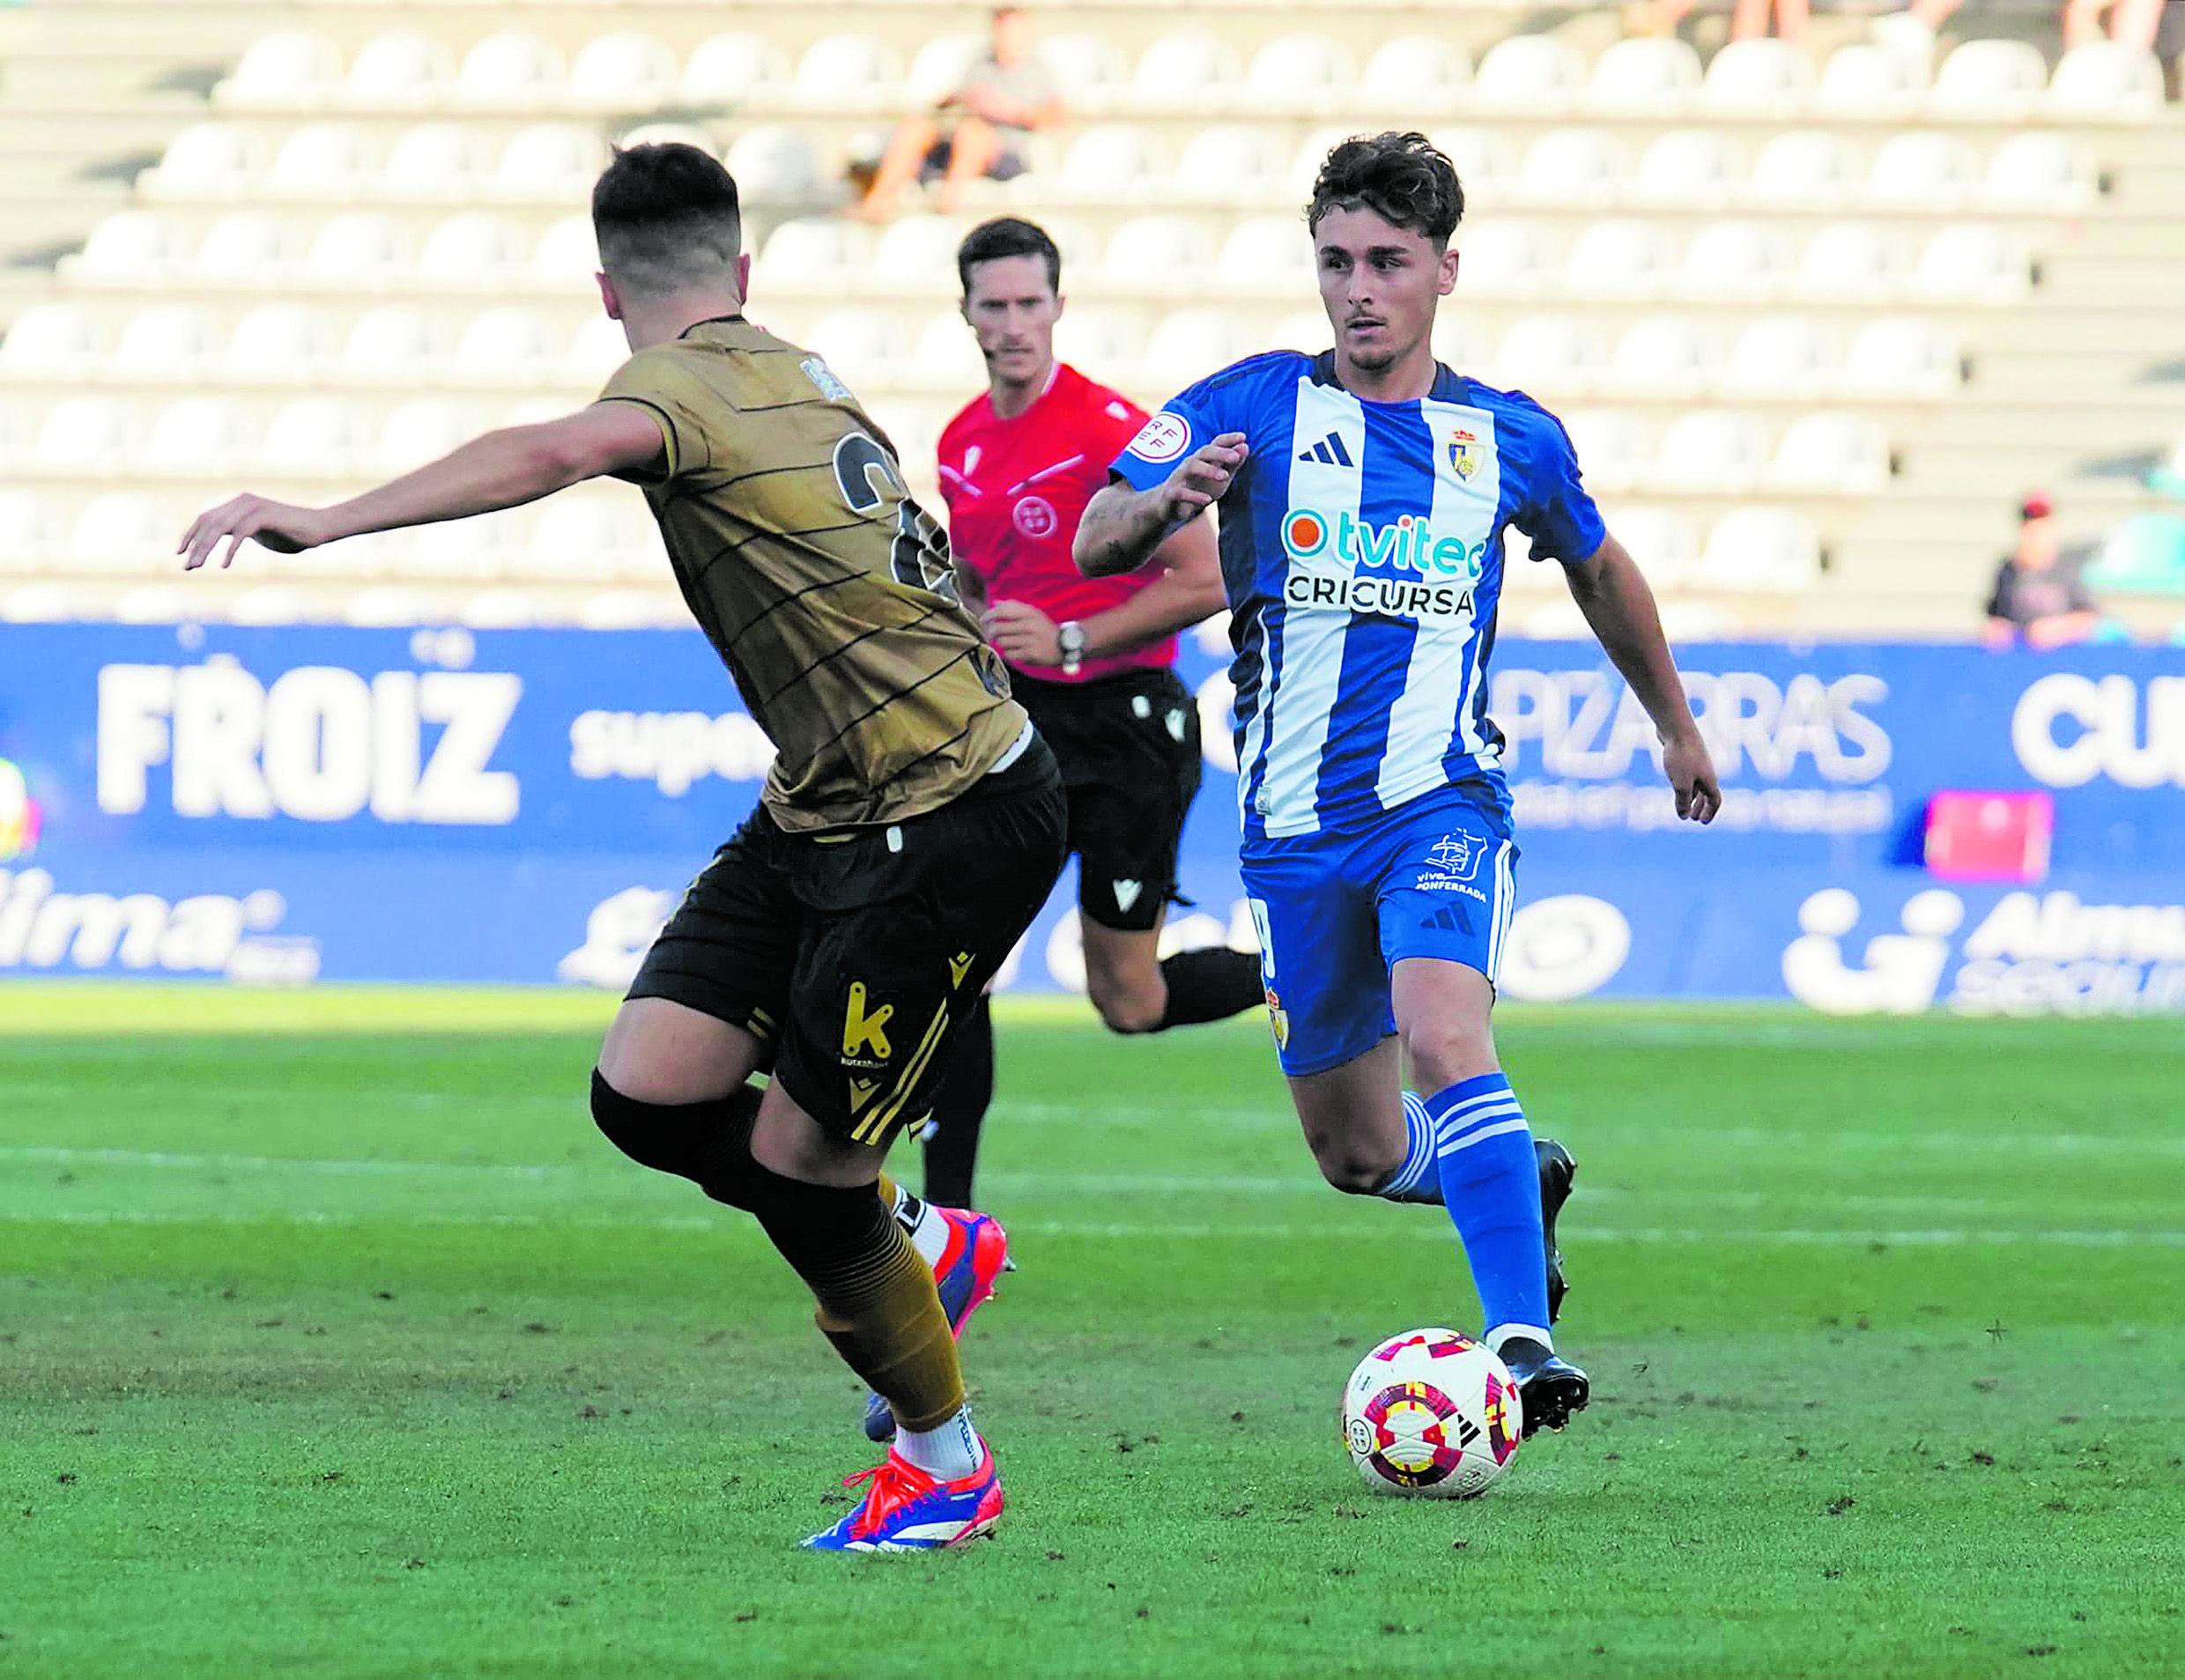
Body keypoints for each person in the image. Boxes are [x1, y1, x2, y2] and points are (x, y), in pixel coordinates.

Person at [176, 142, 1068, 1553]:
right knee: (650, 1091)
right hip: (828, 798)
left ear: (607, 290)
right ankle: (925, 1237)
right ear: (744, 269)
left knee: (800, 1172)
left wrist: (328, 517)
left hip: (947, 812)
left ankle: (946, 1467)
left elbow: (549, 452)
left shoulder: (662, 390)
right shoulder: (799, 367)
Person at [1075, 131, 1723, 1434]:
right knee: (1358, 1153)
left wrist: (1675, 721)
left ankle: (1521, 1340)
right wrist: (1167, 505)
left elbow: (1599, 571)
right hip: (1293, 834)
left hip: (1441, 801)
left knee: (1444, 1035)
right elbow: (1098, 535)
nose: (1358, 288)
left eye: (1387, 262)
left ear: (1444, 271)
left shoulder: (1509, 437)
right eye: (1336, 262)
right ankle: (1510, 1172)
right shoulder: (1247, 403)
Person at [918, 215, 1266, 1215]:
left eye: (1031, 302)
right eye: (995, 304)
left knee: (1128, 1000)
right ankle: (947, 1228)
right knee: (958, 962)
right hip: (1014, 726)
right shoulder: (958, 443)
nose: (1014, 322)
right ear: (967, 313)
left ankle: (1302, 970)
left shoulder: (1109, 429)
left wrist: (1071, 642)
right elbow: (980, 579)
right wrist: (969, 621)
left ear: (1058, 308)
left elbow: (1201, 580)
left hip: (1123, 727)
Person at [857, 8, 1064, 222]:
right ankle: (881, 197)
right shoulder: (980, 64)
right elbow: (955, 98)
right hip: (960, 137)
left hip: (1005, 149)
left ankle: (947, 204)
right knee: (917, 127)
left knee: (974, 134)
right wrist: (960, 99)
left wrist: (1009, 111)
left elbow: (1058, 117)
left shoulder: (1039, 71)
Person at [1983, 492, 2102, 649]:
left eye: (2041, 526)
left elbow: (2090, 618)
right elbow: (1996, 616)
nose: (2036, 534)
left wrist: (2057, 629)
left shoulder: (2068, 568)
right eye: (2031, 526)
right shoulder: (2009, 570)